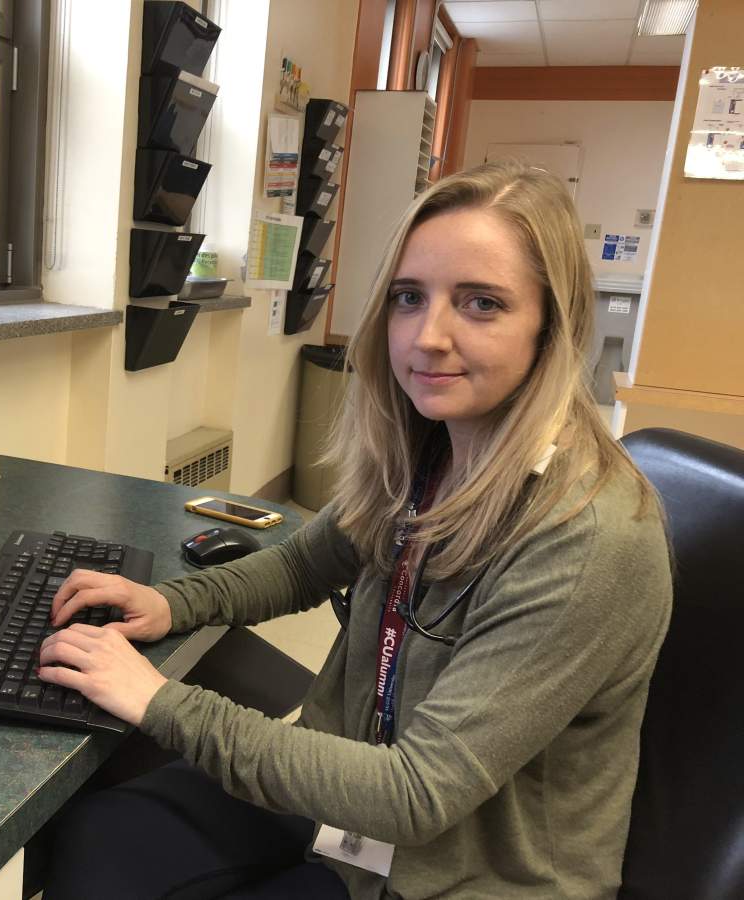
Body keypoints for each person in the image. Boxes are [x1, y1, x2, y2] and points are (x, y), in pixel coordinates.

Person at [36, 161, 673, 899]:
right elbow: (303, 564)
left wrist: (159, 701)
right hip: (348, 816)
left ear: (551, 328)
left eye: (481, 304)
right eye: (409, 297)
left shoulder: (586, 536)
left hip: (458, 874)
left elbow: (416, 794)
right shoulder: (433, 445)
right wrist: (175, 604)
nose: (428, 336)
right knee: (102, 836)